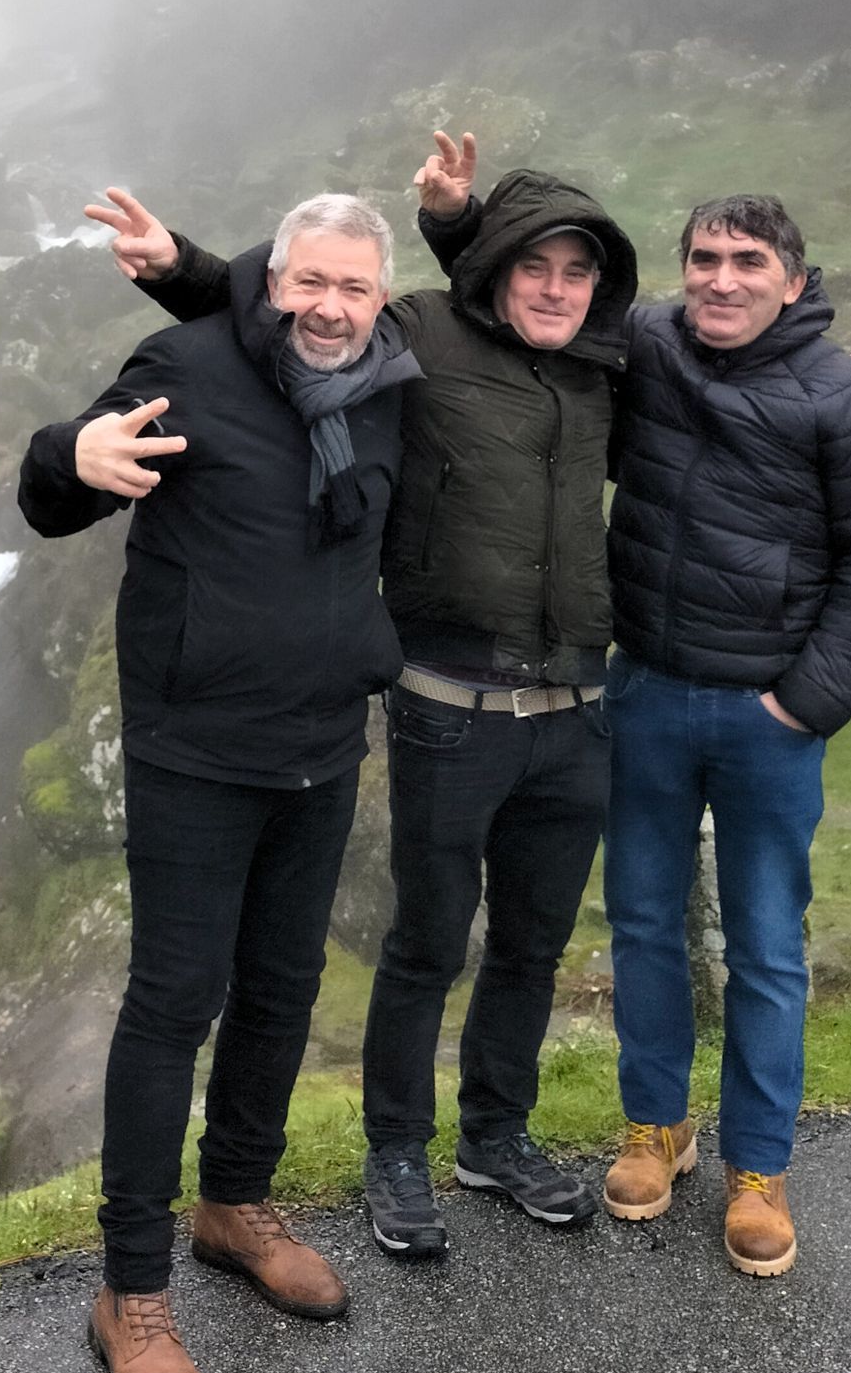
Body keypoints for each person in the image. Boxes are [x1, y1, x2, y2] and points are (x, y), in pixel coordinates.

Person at [92, 143, 638, 1265]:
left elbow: (326, 302)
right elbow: (294, 307)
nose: (554, 285)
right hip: (428, 701)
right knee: (416, 944)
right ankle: (386, 1154)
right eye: (531, 262)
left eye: (577, 270)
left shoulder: (605, 367)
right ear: (489, 267)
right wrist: (177, 269)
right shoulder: (420, 339)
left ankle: (487, 1136)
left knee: (521, 945)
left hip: (566, 701)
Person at [420, 167, 851, 1277]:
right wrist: (454, 222)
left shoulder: (847, 400)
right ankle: (657, 1128)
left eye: (748, 262)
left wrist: (809, 700)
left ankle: (759, 1166)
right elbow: (530, 307)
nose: (723, 279)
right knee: (642, 924)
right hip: (643, 690)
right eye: (705, 258)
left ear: (793, 282)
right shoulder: (645, 341)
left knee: (766, 948)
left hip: (769, 717)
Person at [18, 193, 418, 1373]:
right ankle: (131, 1290)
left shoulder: (391, 376)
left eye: (356, 287)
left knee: (285, 985)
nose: (332, 307)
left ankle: (234, 1202)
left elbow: (540, 326)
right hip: (195, 746)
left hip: (321, 738)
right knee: (172, 1001)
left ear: (380, 294)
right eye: (311, 282)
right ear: (271, 278)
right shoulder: (184, 363)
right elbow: (57, 487)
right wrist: (66, 458)